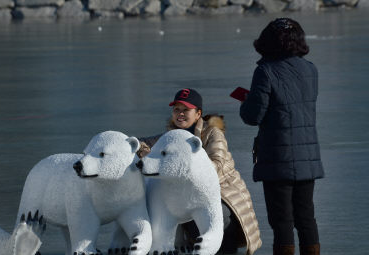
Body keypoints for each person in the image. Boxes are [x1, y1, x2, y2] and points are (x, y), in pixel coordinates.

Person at [138, 88, 262, 255]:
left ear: (198, 114)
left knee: (220, 217)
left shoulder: (212, 133)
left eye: (186, 110)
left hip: (223, 191)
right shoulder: (171, 138)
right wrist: (148, 155)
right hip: (187, 194)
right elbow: (140, 143)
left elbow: (217, 164)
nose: (180, 114)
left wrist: (189, 167)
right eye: (176, 109)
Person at [239, 18, 324, 255]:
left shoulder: (265, 71)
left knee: (282, 221)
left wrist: (246, 101)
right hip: (308, 156)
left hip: (278, 157)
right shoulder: (311, 69)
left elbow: (253, 116)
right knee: (306, 217)